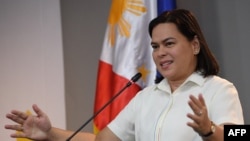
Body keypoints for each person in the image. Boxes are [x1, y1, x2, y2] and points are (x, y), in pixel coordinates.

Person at [5, 9, 244, 141]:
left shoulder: (220, 89)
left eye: (169, 43)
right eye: (155, 46)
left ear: (194, 45)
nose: (160, 53)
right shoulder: (146, 98)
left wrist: (209, 130)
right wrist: (50, 134)